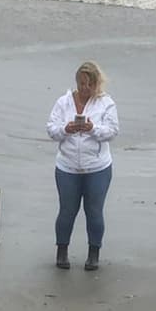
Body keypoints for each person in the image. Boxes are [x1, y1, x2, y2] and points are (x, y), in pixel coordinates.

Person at [46, 60, 118, 271]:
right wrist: (66, 129)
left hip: (97, 167)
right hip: (67, 167)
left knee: (94, 211)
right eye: (81, 84)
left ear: (96, 84)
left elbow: (113, 131)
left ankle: (93, 253)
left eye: (89, 84)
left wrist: (92, 128)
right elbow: (51, 129)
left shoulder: (106, 103)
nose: (84, 89)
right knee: (67, 210)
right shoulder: (63, 102)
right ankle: (62, 251)